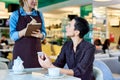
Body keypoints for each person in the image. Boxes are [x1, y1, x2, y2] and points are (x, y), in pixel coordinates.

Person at [9, 0, 46, 68]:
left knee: (36, 76)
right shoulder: (15, 14)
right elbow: (12, 36)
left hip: (36, 53)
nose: (35, 1)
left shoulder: (39, 14)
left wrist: (41, 35)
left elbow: (44, 33)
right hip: (20, 54)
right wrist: (25, 31)